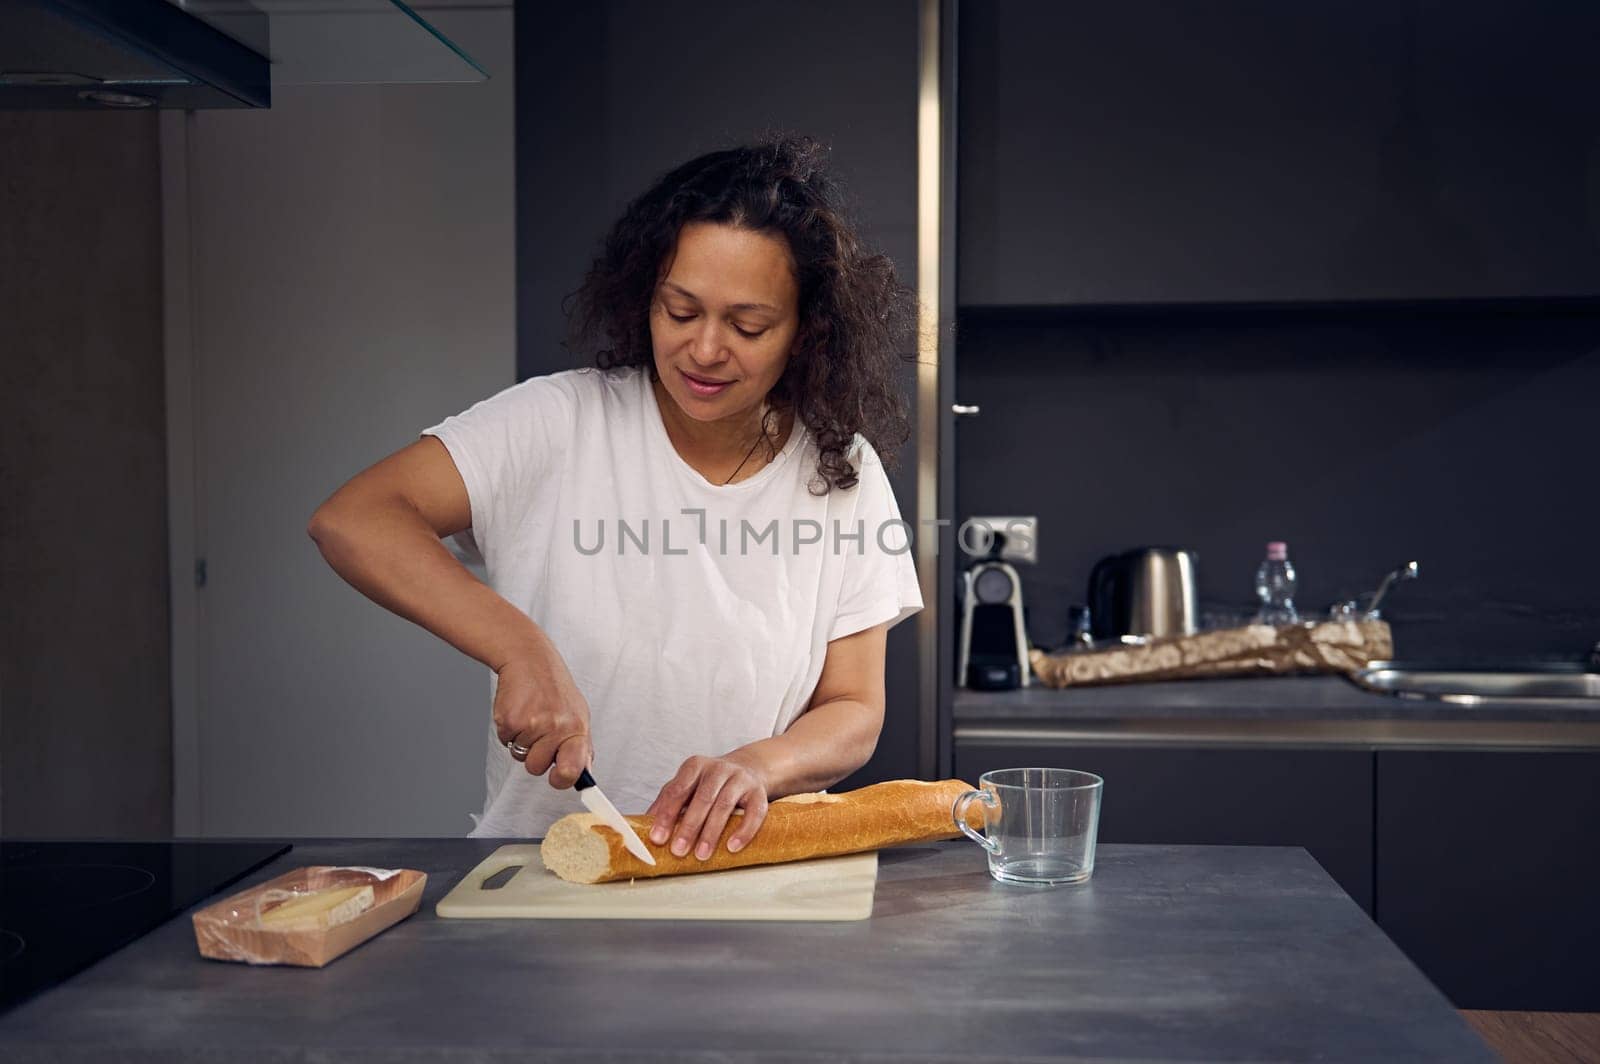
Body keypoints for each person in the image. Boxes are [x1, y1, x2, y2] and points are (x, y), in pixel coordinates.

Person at [307, 136, 922, 858]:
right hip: (548, 870)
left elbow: (854, 707)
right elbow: (354, 519)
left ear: (806, 333)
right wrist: (519, 649)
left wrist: (762, 764)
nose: (704, 350)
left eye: (747, 326)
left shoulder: (839, 469)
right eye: (680, 311)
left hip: (744, 876)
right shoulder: (557, 422)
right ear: (645, 297)